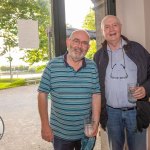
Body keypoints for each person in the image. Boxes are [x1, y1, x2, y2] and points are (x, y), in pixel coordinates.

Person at [38, 29, 101, 150]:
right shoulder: (52, 65)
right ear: (68, 42)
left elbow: (96, 95)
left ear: (88, 47)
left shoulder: (92, 67)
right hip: (60, 134)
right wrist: (45, 125)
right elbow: (42, 94)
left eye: (84, 43)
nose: (79, 46)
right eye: (76, 41)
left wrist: (96, 123)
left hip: (86, 134)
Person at [94, 15, 150, 150]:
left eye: (114, 25)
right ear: (102, 32)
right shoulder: (99, 56)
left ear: (120, 27)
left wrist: (146, 89)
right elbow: (95, 87)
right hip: (111, 113)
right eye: (106, 27)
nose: (111, 29)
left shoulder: (137, 49)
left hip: (136, 111)